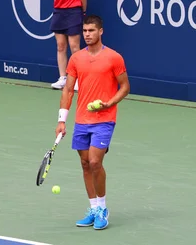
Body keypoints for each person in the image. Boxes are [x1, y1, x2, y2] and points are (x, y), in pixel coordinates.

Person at [55, 14, 130, 231]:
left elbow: (125, 87)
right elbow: (68, 89)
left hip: (104, 120)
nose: (87, 35)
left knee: (96, 162)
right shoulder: (76, 58)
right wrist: (62, 120)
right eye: (85, 31)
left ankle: (103, 208)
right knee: (85, 164)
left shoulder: (114, 58)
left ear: (100, 32)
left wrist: (109, 103)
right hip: (82, 120)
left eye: (91, 31)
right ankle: (93, 208)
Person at [49, 0, 87, 91]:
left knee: (74, 46)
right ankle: (62, 78)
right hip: (59, 12)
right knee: (60, 46)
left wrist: (82, 13)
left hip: (74, 12)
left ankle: (77, 79)